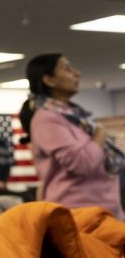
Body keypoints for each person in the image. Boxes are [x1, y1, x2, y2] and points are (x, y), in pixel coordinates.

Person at [18, 53, 124, 218]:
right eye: (67, 69)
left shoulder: (77, 118)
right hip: (78, 216)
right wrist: (100, 134)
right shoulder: (46, 119)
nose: (77, 73)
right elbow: (82, 163)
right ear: (49, 80)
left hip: (107, 212)